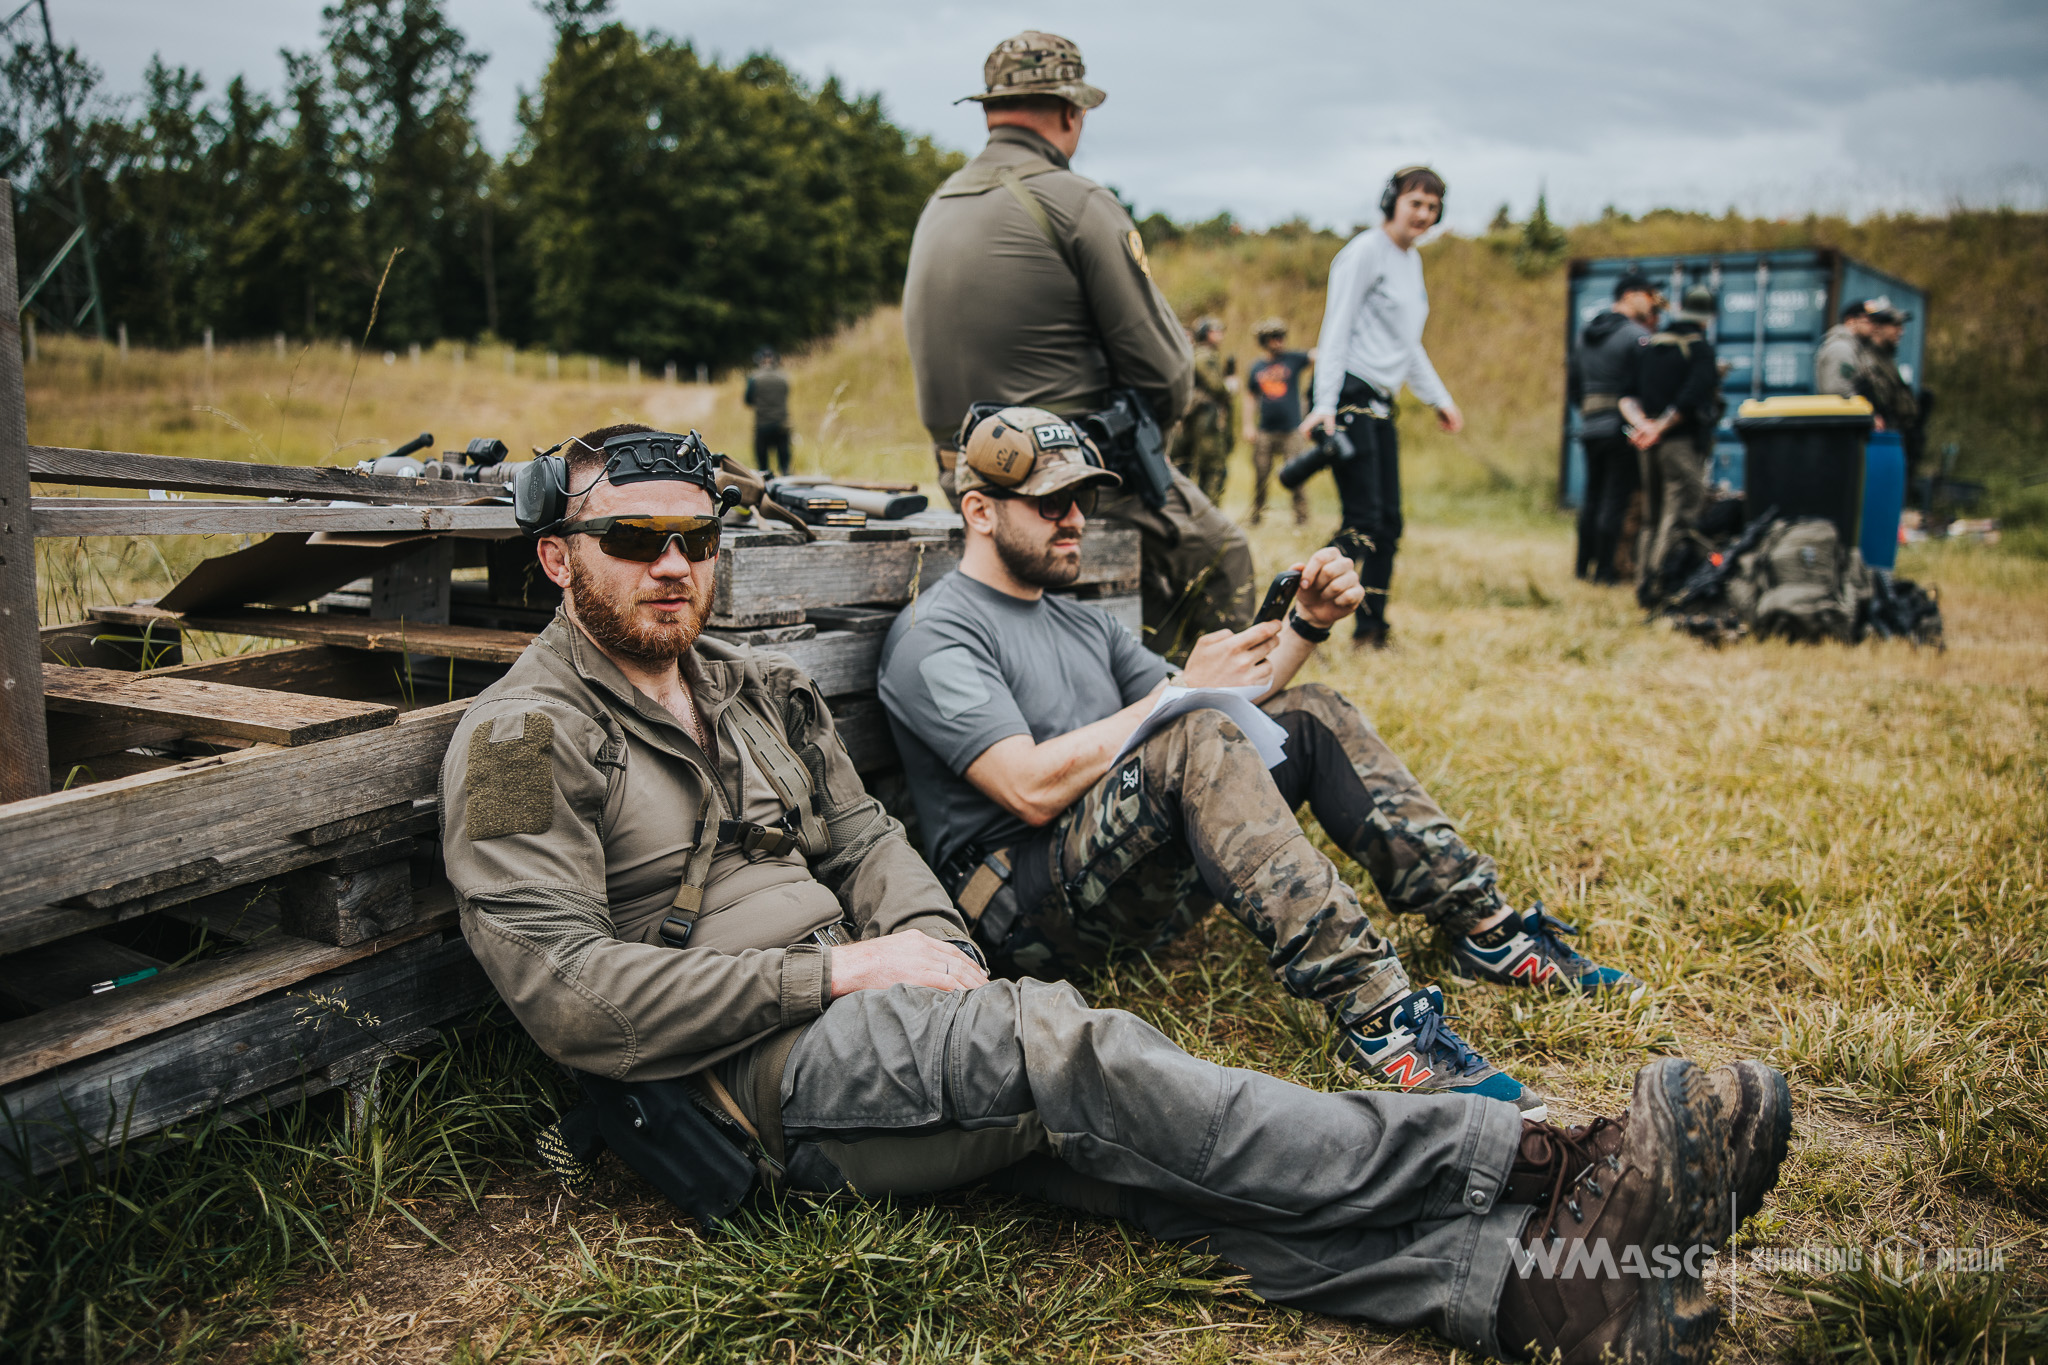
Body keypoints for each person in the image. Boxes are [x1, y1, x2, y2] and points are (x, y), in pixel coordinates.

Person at [443, 419, 1790, 1365]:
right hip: (747, 1078)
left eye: (696, 537)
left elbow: (864, 844)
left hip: (870, 1008)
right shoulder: (524, 740)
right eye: (633, 538)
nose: (673, 565)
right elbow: (570, 998)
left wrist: (919, 938)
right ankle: (1541, 1160)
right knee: (1067, 1050)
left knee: (1124, 1158)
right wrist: (842, 971)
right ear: (560, 557)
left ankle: (1525, 1292)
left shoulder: (753, 690)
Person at [878, 405, 1647, 1122]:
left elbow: (1230, 693)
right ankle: (1382, 1019)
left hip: (1112, 873)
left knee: (1309, 713)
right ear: (980, 510)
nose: (1076, 519)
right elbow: (1028, 785)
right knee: (1197, 731)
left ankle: (1487, 927)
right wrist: (1183, 689)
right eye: (1052, 503)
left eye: (1081, 499)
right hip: (1021, 907)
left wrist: (1307, 622)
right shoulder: (935, 634)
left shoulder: (1078, 621)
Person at [901, 30, 1254, 657]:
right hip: (1067, 476)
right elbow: (1166, 373)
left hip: (964, 478)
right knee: (1220, 554)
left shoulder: (940, 205)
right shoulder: (1077, 202)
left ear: (988, 112)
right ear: (1072, 112)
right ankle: (1205, 718)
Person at [1299, 167, 1464, 649]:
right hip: (1350, 396)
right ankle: (1295, 602)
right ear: (1392, 201)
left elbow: (1407, 346)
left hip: (1382, 400)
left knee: (1388, 525)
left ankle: (1372, 631)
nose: (1424, 214)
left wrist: (1440, 399)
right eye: (1416, 202)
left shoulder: (1410, 262)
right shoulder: (1365, 253)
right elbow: (1337, 329)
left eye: (1433, 208)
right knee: (1365, 522)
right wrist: (1325, 403)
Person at [1620, 285, 1720, 605]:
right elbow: (1691, 397)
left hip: (1647, 444)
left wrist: (1644, 427)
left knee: (1652, 516)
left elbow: (1626, 394)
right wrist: (1660, 427)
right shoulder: (1699, 348)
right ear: (1707, 318)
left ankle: (1642, 583)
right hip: (1679, 445)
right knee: (1678, 515)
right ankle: (1661, 585)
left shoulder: (1651, 345)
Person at [1568, 271, 1662, 583]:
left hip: (1589, 425)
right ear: (1631, 295)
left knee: (1591, 498)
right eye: (1648, 295)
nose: (1651, 305)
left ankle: (1582, 568)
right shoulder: (1636, 337)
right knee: (1614, 499)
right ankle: (1606, 571)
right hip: (1621, 428)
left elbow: (1574, 387)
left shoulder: (1584, 335)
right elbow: (1646, 388)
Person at [1818, 297, 1923, 494]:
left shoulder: (1854, 349)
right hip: (1846, 439)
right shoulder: (1842, 349)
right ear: (1851, 321)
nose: (1872, 326)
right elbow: (1839, 393)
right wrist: (1869, 417)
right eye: (1867, 320)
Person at [1243, 318, 1313, 525]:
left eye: (1282, 336)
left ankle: (1302, 518)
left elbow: (1320, 356)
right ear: (1265, 340)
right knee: (1261, 475)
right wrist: (1247, 425)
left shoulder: (1293, 359)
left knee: (1297, 474)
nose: (1280, 341)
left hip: (1292, 429)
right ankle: (1256, 516)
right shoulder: (1256, 367)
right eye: (1275, 337)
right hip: (1265, 430)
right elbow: (1250, 397)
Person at [1169, 316, 1234, 503]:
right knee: (1212, 468)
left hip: (1196, 419)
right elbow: (1216, 386)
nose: (1220, 335)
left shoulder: (1196, 354)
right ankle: (1208, 511)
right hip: (1205, 420)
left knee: (1191, 466)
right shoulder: (1204, 356)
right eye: (1215, 331)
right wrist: (1228, 387)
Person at [743, 349, 792, 476]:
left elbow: (748, 400)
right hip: (782, 422)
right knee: (784, 461)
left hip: (763, 423)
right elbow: (786, 394)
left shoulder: (754, 378)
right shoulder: (783, 377)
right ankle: (785, 474)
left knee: (763, 465)